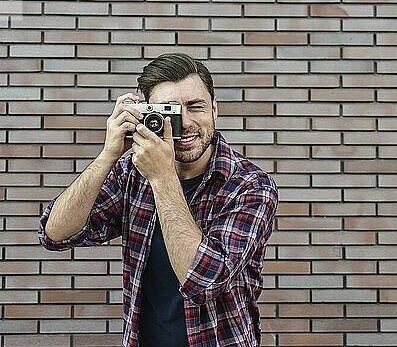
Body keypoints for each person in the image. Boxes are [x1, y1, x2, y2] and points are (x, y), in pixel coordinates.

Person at [38, 52, 278, 346]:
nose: (185, 122)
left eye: (196, 107)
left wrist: (162, 178)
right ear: (148, 114)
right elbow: (55, 234)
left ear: (215, 108)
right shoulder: (131, 174)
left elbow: (204, 281)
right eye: (170, 111)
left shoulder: (250, 185)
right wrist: (109, 154)